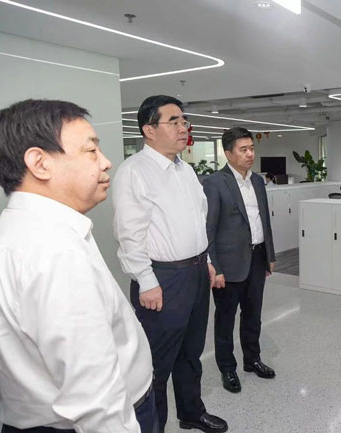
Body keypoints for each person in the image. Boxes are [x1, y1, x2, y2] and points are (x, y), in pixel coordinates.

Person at [0, 99, 157, 432]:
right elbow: (96, 399)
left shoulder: (15, 230)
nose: (106, 162)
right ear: (40, 163)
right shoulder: (55, 251)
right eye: (91, 151)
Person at [113, 95, 227, 433]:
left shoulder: (185, 169)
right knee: (157, 362)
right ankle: (153, 427)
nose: (183, 128)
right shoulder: (134, 172)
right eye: (173, 121)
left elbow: (199, 221)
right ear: (149, 130)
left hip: (195, 272)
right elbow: (129, 234)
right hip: (163, 278)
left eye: (183, 121)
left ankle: (191, 412)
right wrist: (146, 281)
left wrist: (206, 260)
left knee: (191, 351)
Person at [203, 126, 277, 394]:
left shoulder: (257, 181)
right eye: (243, 149)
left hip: (257, 257)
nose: (250, 154)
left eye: (252, 148)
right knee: (225, 318)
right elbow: (208, 229)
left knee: (253, 314)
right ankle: (227, 367)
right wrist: (215, 266)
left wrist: (269, 255)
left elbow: (263, 220)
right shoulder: (215, 183)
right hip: (228, 263)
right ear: (228, 153)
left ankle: (252, 359)